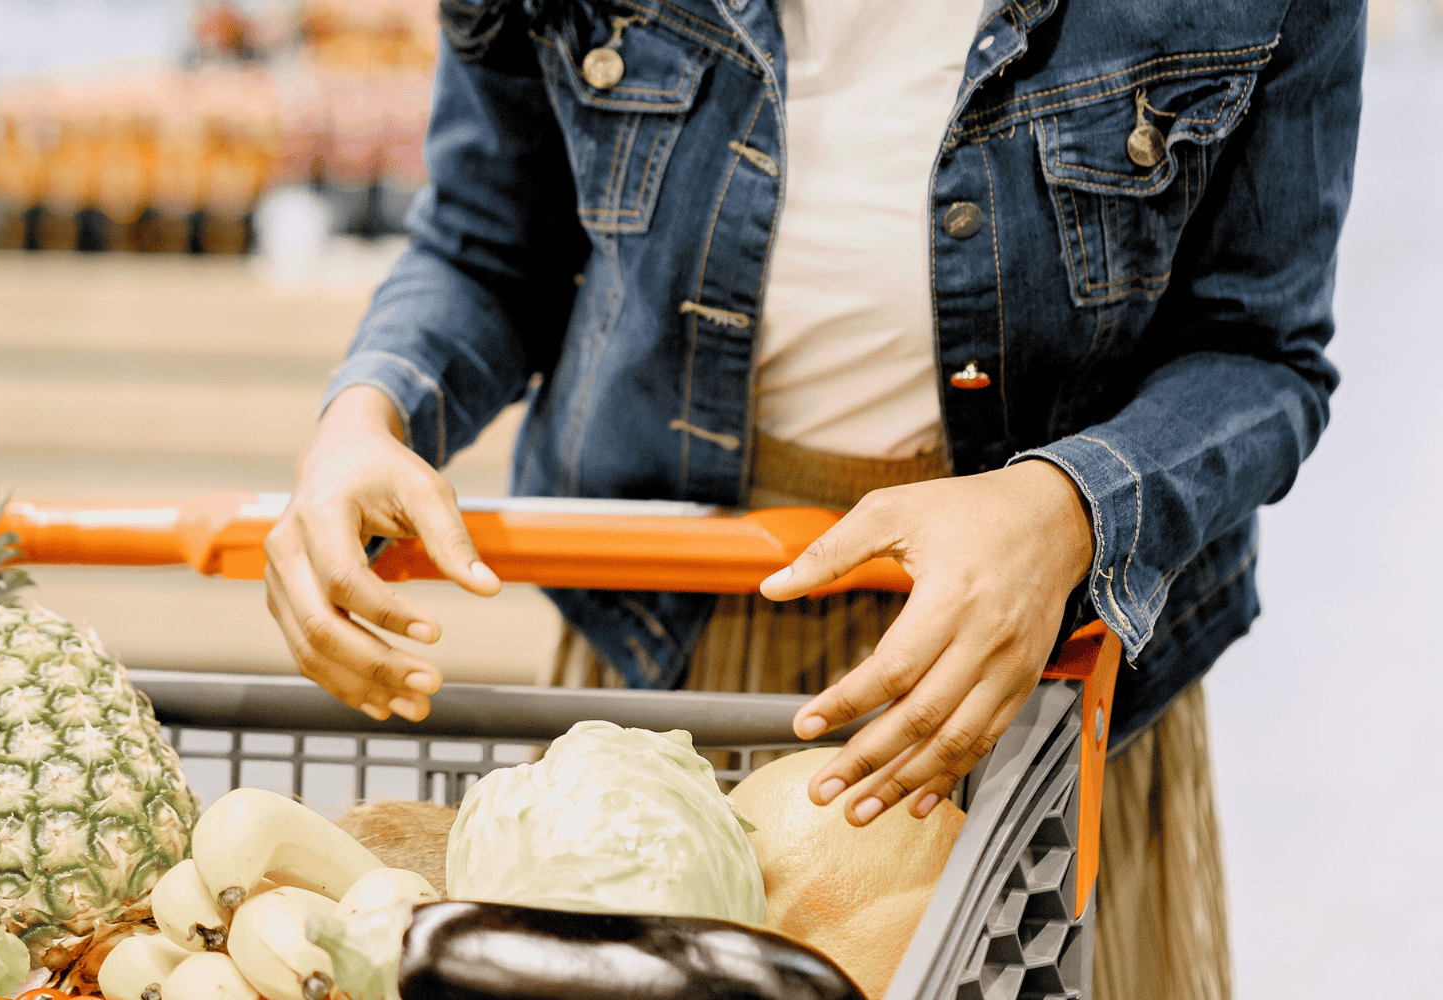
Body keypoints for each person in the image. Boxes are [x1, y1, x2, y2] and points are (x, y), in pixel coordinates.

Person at [264, 1, 1364, 996]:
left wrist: (1066, 506)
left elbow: (1259, 349)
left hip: (1044, 672)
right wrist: (369, 413)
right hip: (684, 639)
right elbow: (489, 240)